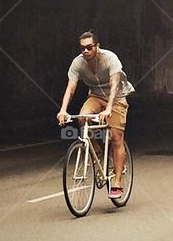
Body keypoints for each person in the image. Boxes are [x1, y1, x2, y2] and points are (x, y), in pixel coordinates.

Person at [57, 31, 134, 198]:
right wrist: (63, 110)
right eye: (82, 48)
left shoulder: (110, 58)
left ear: (97, 47)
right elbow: (71, 88)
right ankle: (96, 151)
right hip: (96, 97)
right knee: (82, 118)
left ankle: (117, 182)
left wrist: (108, 109)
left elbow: (114, 85)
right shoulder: (77, 63)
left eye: (89, 47)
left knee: (115, 136)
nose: (85, 51)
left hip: (117, 98)